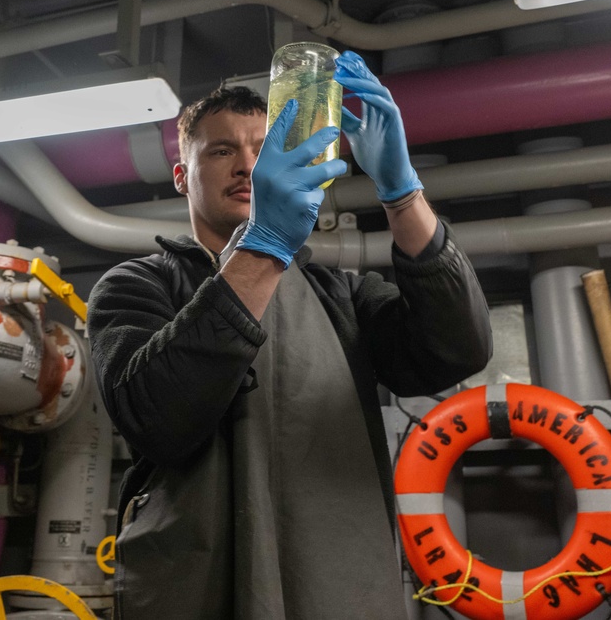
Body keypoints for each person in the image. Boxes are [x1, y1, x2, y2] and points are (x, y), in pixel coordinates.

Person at [86, 50, 492, 620]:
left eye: (264, 149)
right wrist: (266, 245)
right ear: (182, 176)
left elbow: (457, 348)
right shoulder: (137, 286)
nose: (249, 166)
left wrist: (403, 195)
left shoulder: (340, 295)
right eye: (223, 151)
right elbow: (157, 417)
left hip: (336, 582)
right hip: (195, 591)